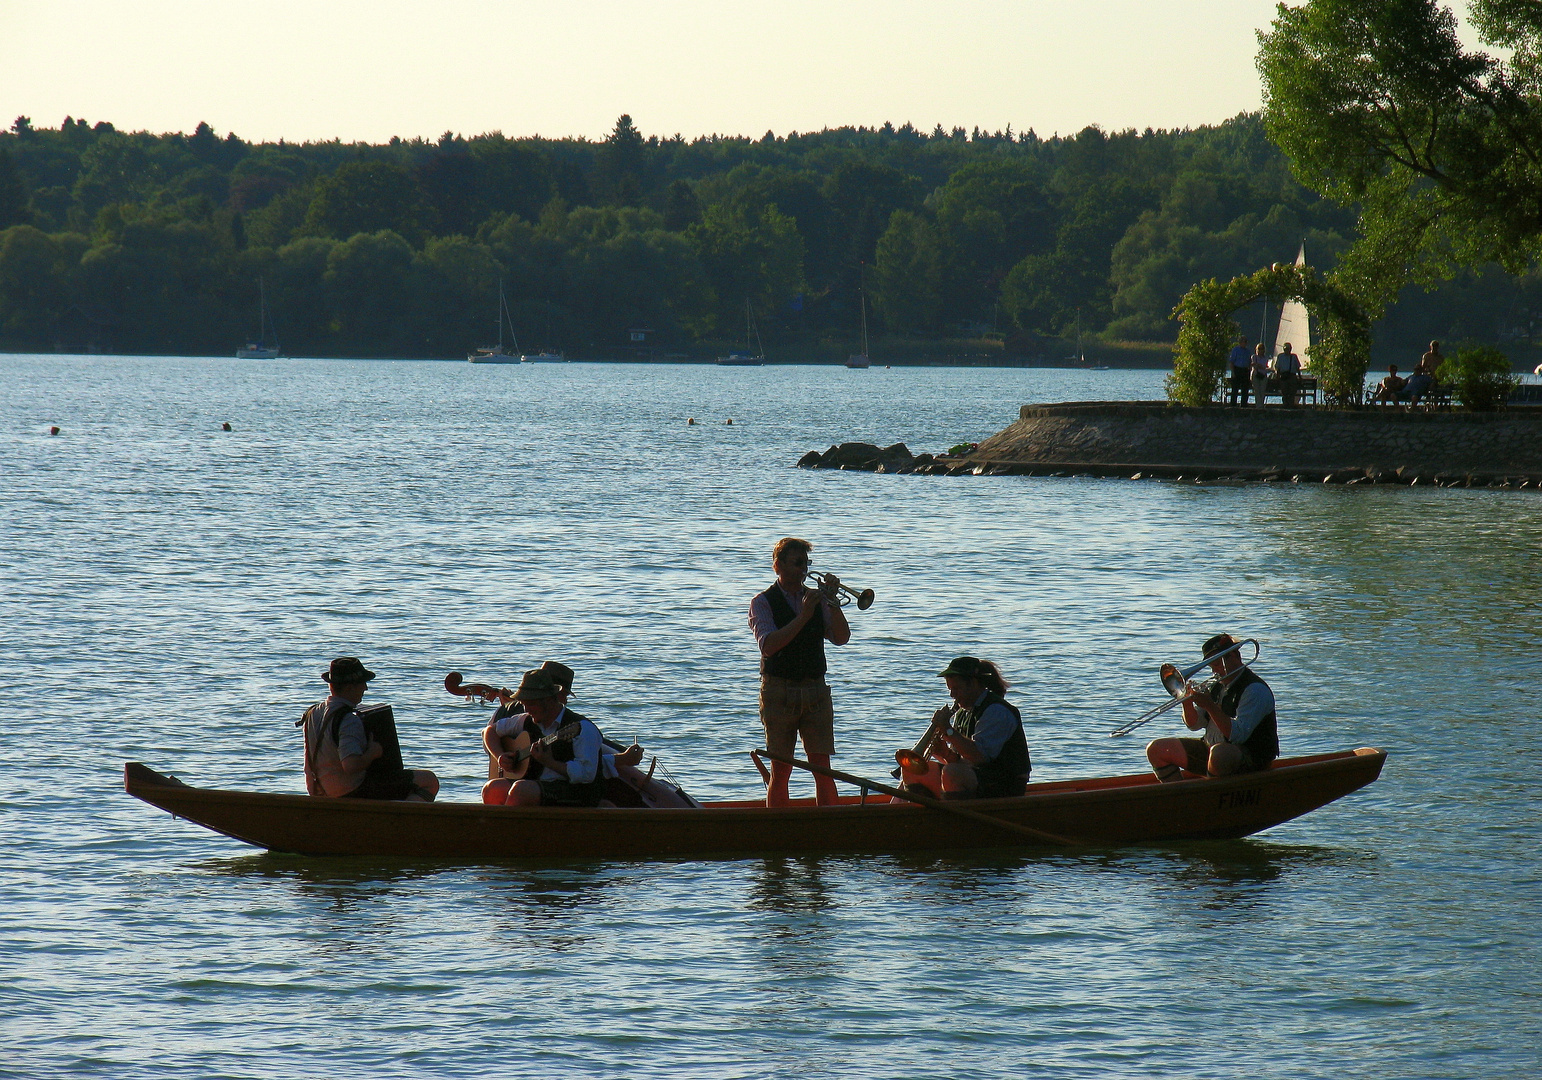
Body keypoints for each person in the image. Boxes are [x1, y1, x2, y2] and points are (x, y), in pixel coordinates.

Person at [748, 537, 851, 807]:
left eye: (806, 563)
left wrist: (832, 602)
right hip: (778, 690)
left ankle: (828, 829)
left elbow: (841, 638)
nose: (803, 570)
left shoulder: (817, 600)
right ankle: (778, 832)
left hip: (816, 688)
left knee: (823, 768)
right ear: (777, 566)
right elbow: (768, 646)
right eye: (797, 563)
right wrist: (804, 615)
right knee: (781, 770)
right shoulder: (762, 602)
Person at [481, 660, 643, 804]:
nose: (526, 709)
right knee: (492, 788)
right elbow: (490, 731)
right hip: (539, 783)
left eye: (531, 703)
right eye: (524, 703)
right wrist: (500, 755)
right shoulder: (525, 719)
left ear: (550, 699)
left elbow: (585, 774)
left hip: (577, 791)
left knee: (521, 790)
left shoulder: (581, 728)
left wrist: (549, 762)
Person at [301, 657, 439, 801]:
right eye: (362, 683)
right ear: (350, 687)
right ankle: (398, 821)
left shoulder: (312, 713)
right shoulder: (348, 720)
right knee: (429, 781)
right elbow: (351, 765)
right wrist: (372, 753)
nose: (365, 688)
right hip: (350, 791)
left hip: (319, 791)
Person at [1145, 634, 1278, 782]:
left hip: (1250, 759)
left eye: (1217, 664)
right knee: (1156, 749)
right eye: (1211, 666)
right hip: (1212, 750)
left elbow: (1237, 735)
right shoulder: (1217, 686)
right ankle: (1181, 799)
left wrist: (1209, 705)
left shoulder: (1254, 690)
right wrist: (1186, 702)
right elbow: (1194, 724)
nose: (1214, 672)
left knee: (1219, 753)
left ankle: (1208, 797)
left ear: (1235, 656)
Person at [923, 656, 1031, 799]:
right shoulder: (962, 713)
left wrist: (948, 730)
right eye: (950, 689)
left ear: (973, 684)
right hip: (978, 780)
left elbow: (979, 757)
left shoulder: (996, 711)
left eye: (956, 689)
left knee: (952, 773)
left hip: (1004, 785)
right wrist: (946, 754)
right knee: (919, 770)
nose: (952, 695)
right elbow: (963, 761)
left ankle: (951, 818)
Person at [1227, 335, 1252, 405]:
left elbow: (1249, 362)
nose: (1246, 343)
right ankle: (1233, 404)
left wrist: (1249, 372)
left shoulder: (1248, 351)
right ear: (1240, 342)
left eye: (1246, 342)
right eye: (1244, 341)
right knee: (1235, 389)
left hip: (1245, 370)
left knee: (1245, 389)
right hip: (1237, 369)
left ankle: (1244, 404)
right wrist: (1233, 372)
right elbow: (1232, 361)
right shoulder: (1235, 350)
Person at [1250, 342, 1272, 407]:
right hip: (1256, 374)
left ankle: (1261, 405)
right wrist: (1260, 366)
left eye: (1262, 349)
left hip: (1263, 375)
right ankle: (1258, 405)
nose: (1260, 350)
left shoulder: (1266, 358)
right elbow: (1253, 364)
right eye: (1259, 349)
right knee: (1257, 391)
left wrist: (1262, 367)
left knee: (1262, 391)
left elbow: (1267, 367)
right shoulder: (1254, 357)